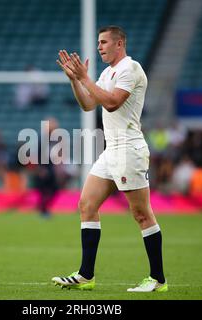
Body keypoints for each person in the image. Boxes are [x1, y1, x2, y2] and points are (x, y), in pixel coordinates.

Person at [52, 26, 167, 292]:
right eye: (98, 42)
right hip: (111, 150)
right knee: (86, 204)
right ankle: (85, 275)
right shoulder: (106, 73)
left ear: (120, 43)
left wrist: (85, 78)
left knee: (141, 214)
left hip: (129, 148)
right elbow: (88, 104)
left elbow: (113, 102)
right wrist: (75, 80)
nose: (99, 47)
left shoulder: (131, 69)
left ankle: (158, 279)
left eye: (104, 42)